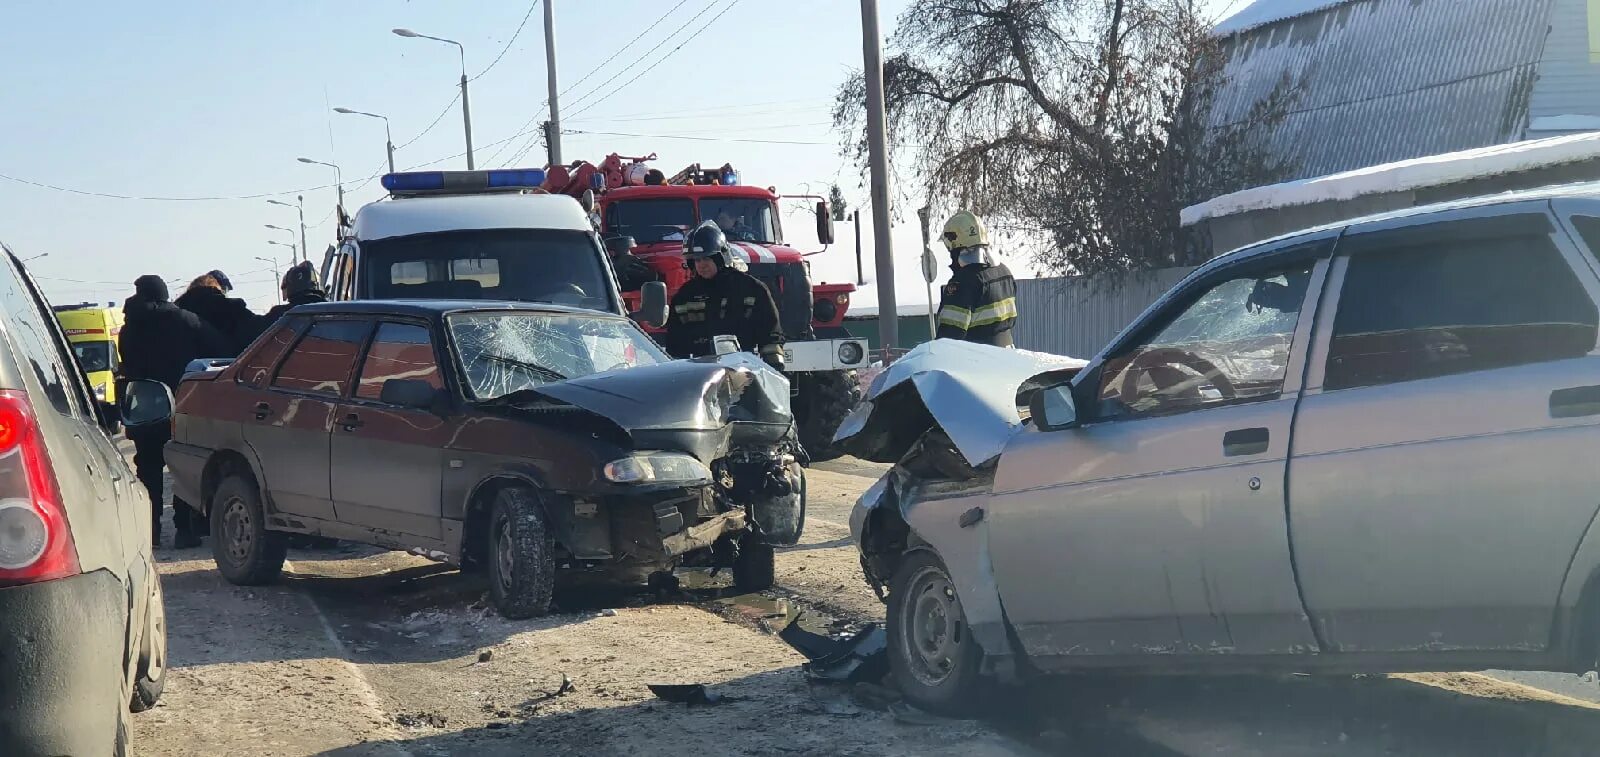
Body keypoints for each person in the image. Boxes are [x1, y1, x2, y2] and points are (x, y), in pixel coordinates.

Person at [118, 275, 229, 548]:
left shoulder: (129, 327)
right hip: (181, 404)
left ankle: (151, 532)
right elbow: (219, 348)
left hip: (144, 407)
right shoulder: (185, 320)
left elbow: (127, 364)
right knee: (183, 469)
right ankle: (185, 531)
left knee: (148, 470)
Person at [663, 221, 785, 369]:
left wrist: (775, 369)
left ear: (721, 257)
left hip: (744, 371)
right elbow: (674, 343)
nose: (701, 264)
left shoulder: (751, 289)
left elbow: (770, 335)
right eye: (697, 260)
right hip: (699, 375)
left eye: (707, 258)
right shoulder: (685, 296)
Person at [935, 209, 1018, 347]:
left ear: (955, 243)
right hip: (1007, 356)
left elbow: (948, 339)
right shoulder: (1005, 273)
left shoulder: (963, 283)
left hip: (975, 363)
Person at [176, 271, 267, 355]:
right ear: (217, 287)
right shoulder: (228, 309)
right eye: (225, 290)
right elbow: (258, 330)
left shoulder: (176, 311)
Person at [263, 261, 328, 323]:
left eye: (283, 287)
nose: (283, 295)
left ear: (290, 286)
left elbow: (258, 327)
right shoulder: (331, 309)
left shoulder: (280, 313)